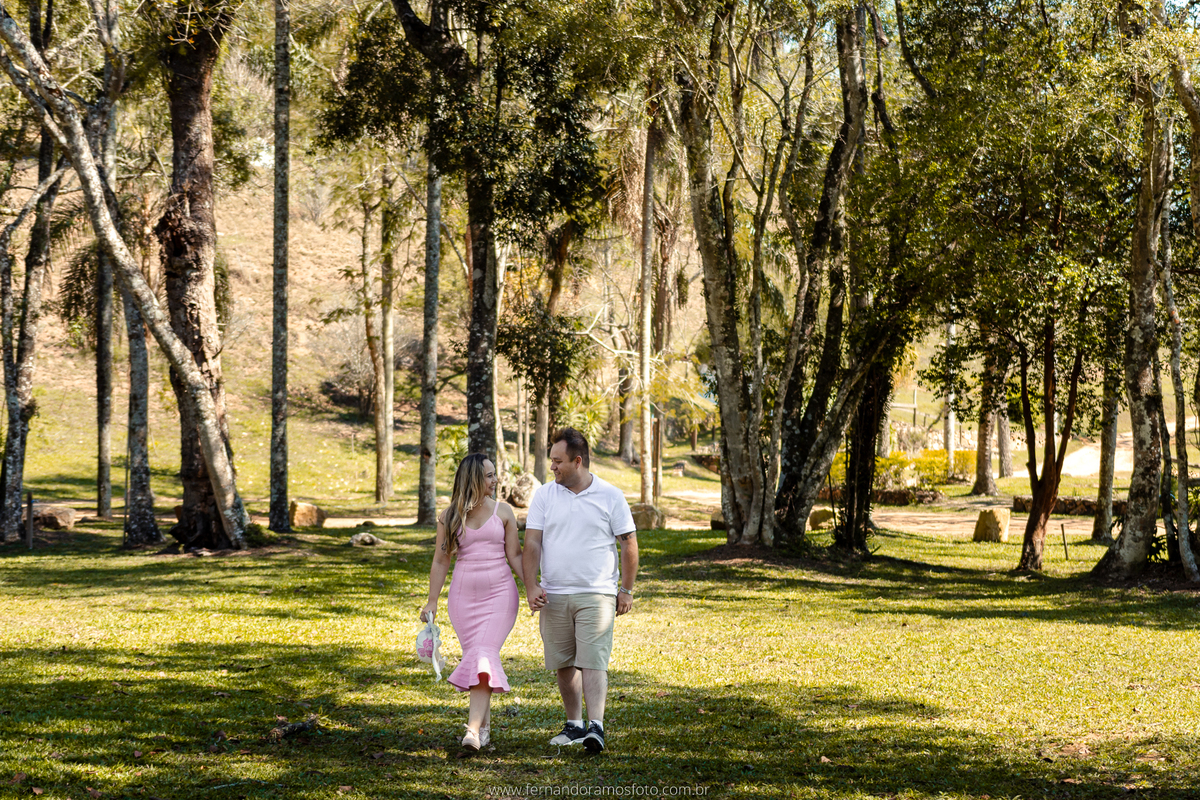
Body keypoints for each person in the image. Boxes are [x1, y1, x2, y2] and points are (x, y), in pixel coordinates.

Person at [523, 427, 639, 754]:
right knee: (563, 662)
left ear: (577, 461)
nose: (553, 467)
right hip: (554, 594)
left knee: (593, 660)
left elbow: (629, 543)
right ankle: (574, 725)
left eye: (558, 462)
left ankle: (596, 728)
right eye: (551, 462)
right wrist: (531, 585)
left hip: (597, 593)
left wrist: (626, 590)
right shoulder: (545, 494)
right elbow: (532, 542)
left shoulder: (611, 495)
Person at [421, 453, 525, 752]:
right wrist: (432, 601)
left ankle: (472, 730)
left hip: (500, 596)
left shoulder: (504, 512)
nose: (496, 480)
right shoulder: (449, 516)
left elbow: (515, 555)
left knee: (483, 654)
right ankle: (484, 732)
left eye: (495, 474)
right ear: (474, 480)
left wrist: (532, 586)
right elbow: (441, 560)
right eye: (490, 475)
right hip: (463, 599)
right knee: (480, 661)